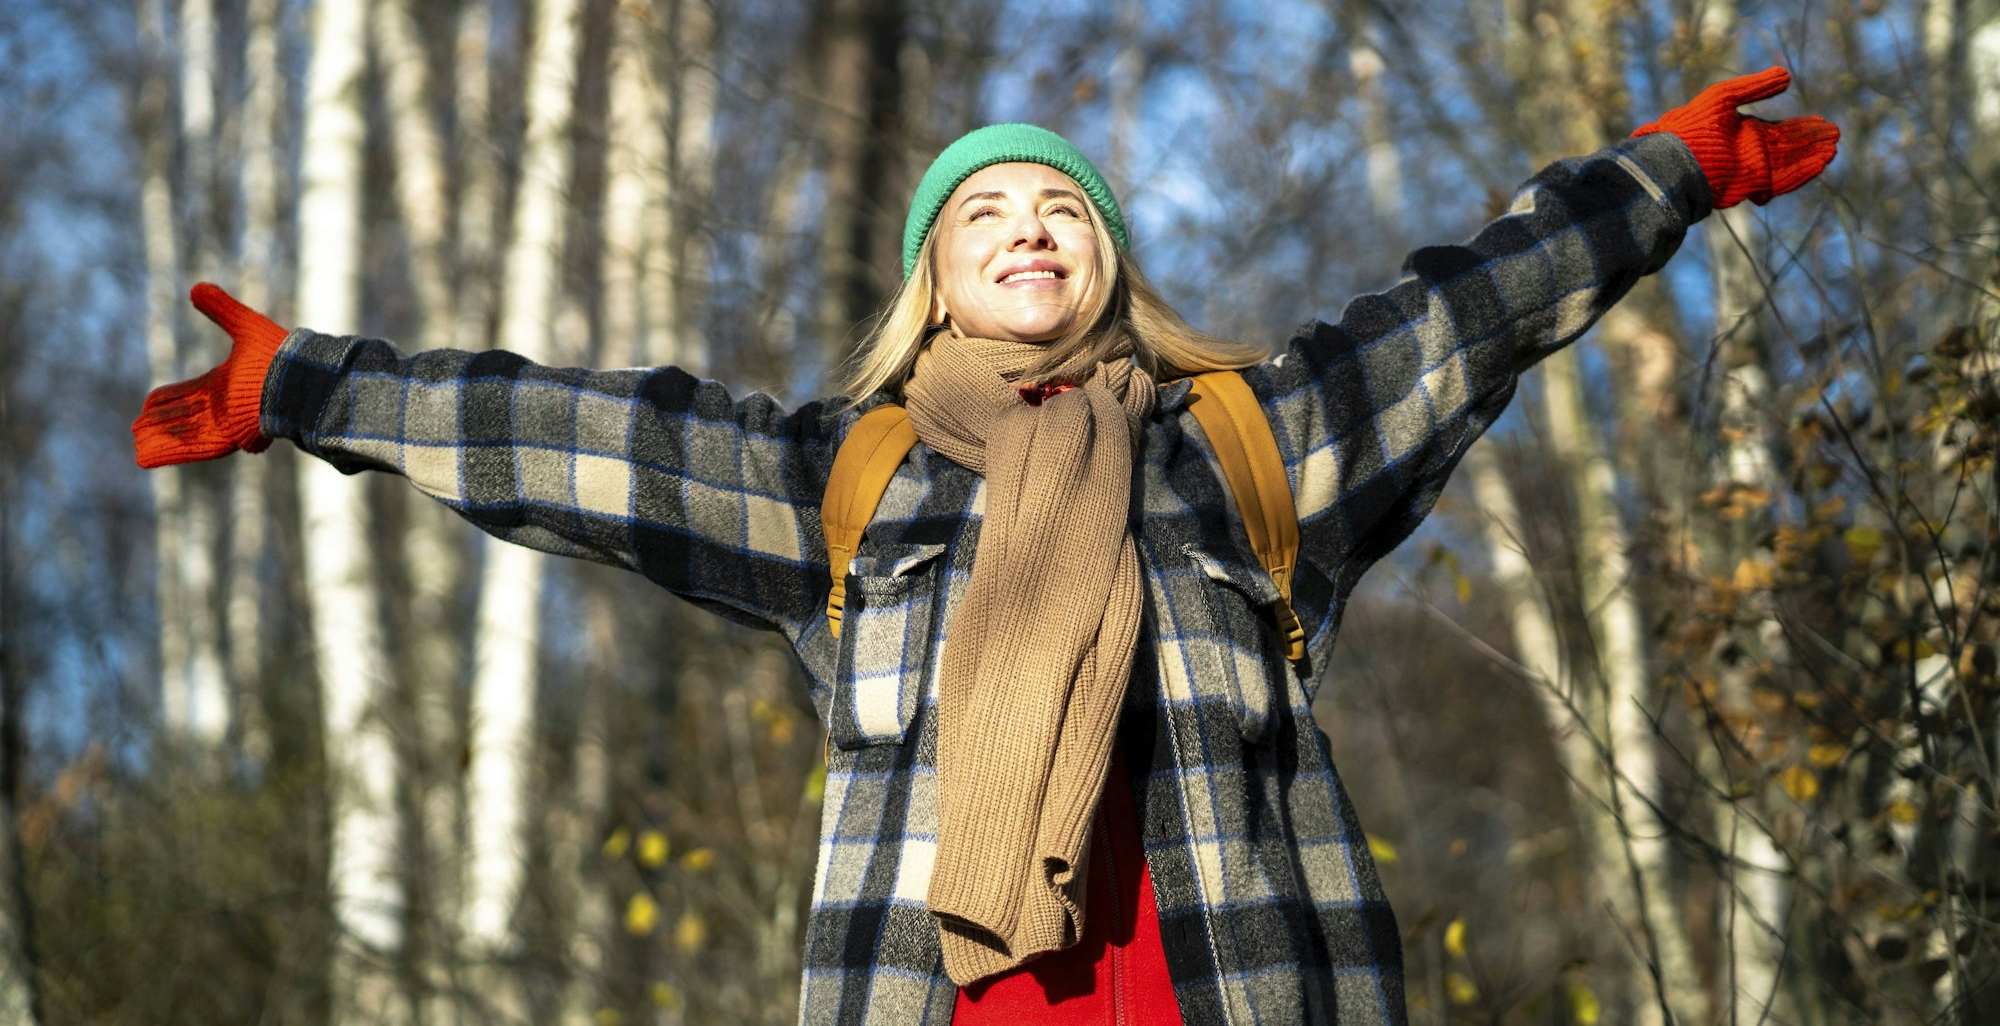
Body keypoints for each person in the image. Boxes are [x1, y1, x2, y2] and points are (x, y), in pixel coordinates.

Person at [134, 67, 1838, 1025]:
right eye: (986, 215)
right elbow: (587, 439)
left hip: (1240, 993)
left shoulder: (1249, 440)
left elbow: (1465, 315)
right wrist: (310, 383)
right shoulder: (853, 485)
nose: (1030, 231)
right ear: (935, 280)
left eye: (1063, 208)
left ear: (1104, 259)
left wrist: (1663, 175)